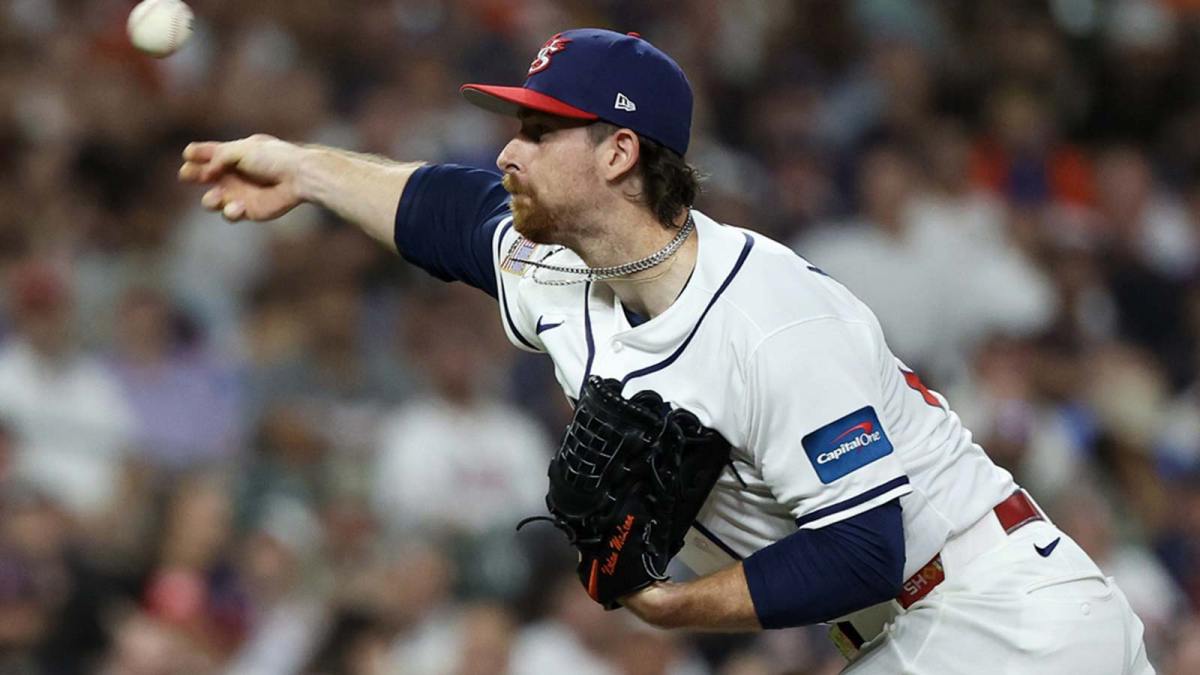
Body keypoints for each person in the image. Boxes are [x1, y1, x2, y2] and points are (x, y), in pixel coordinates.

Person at [178, 28, 1154, 673]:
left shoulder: (771, 317)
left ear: (618, 154)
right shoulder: (556, 269)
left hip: (1004, 619)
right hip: (902, 636)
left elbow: (866, 550)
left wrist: (664, 607)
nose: (509, 150)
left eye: (540, 128)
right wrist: (303, 169)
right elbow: (443, 212)